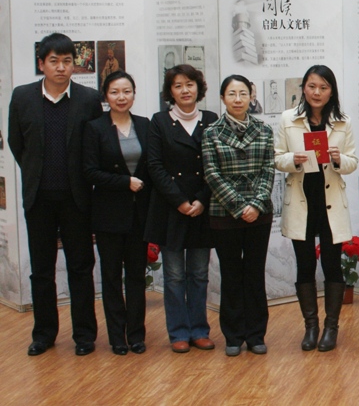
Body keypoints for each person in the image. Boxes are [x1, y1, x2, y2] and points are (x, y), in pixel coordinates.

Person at [8, 33, 103, 357]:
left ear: (74, 65)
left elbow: (95, 146)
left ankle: (84, 335)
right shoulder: (23, 97)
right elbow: (17, 143)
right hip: (39, 198)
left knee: (81, 267)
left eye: (67, 61)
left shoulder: (88, 99)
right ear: (41, 64)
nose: (61, 67)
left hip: (77, 198)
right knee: (41, 270)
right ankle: (44, 334)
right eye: (54, 61)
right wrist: (36, 172)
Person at [275, 65, 357, 352]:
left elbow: (353, 162)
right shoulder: (288, 119)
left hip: (330, 203)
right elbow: (277, 158)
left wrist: (338, 159)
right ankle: (311, 327)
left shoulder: (343, 122)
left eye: (323, 87)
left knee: (332, 265)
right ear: (304, 89)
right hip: (302, 201)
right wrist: (293, 159)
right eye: (312, 86)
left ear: (331, 91)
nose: (317, 92)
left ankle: (331, 327)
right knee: (305, 265)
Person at [145, 64, 217, 354]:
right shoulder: (159, 121)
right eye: (178, 85)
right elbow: (154, 166)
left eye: (190, 84)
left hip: (202, 207)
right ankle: (178, 332)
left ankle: (199, 330)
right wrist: (180, 201)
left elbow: (215, 164)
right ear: (170, 92)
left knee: (199, 274)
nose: (185, 90)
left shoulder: (210, 120)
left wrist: (201, 200)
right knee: (174, 276)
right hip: (170, 209)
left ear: (199, 88)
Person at [203, 75, 274, 356]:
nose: (237, 99)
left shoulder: (264, 130)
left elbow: (268, 170)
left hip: (259, 214)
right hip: (224, 213)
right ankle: (233, 336)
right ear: (222, 98)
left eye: (243, 93)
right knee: (231, 274)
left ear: (251, 97)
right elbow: (211, 173)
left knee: (255, 274)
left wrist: (255, 205)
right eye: (231, 94)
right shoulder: (211, 132)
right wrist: (239, 206)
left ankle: (256, 334)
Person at [82, 70, 151, 356]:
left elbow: (152, 166)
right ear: (105, 96)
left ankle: (136, 335)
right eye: (114, 92)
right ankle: (117, 337)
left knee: (136, 277)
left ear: (134, 94)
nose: (121, 97)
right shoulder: (95, 128)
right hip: (108, 215)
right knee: (111, 278)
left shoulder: (145, 125)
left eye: (126, 91)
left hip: (139, 216)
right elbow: (89, 172)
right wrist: (125, 182)